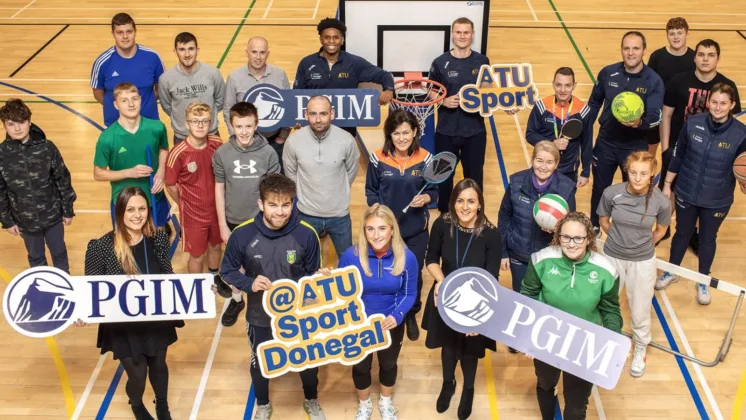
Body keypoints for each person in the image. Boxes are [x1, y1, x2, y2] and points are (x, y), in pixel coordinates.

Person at [220, 173, 326, 420]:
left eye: (286, 204)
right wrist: (249, 283)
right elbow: (226, 270)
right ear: (261, 204)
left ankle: (311, 400)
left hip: (298, 316)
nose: (280, 212)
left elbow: (312, 275)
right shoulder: (243, 234)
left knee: (309, 362)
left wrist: (320, 280)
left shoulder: (307, 234)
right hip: (260, 316)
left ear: (293, 203)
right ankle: (263, 404)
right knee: (261, 364)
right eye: (273, 205)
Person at [81, 186, 182, 420]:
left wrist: (197, 290)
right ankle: (136, 404)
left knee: (158, 366)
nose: (137, 215)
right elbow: (91, 290)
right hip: (123, 326)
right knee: (137, 376)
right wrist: (83, 313)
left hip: (154, 319)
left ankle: (162, 404)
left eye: (142, 209)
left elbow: (167, 274)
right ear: (120, 213)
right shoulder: (101, 247)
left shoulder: (157, 239)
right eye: (131, 210)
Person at [521, 212, 622, 420]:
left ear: (588, 239)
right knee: (546, 384)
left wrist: (614, 340)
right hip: (546, 338)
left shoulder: (606, 270)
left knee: (576, 406)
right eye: (566, 237)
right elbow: (527, 296)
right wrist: (527, 335)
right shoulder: (541, 260)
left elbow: (611, 309)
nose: (572, 244)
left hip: (584, 345)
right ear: (558, 237)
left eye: (578, 238)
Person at [658, 84, 746, 305]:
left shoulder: (741, 134)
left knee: (707, 239)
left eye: (723, 103)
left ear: (732, 105)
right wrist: (668, 184)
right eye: (714, 102)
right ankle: (671, 271)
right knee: (682, 233)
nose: (718, 107)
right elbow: (677, 157)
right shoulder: (693, 124)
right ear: (708, 102)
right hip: (686, 192)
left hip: (717, 199)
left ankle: (702, 280)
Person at [329, 204, 418, 420]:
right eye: (370, 229)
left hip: (390, 323)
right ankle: (364, 404)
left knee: (388, 364)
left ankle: (386, 403)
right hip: (359, 324)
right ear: (364, 230)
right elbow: (339, 292)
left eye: (381, 228)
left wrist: (397, 316)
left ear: (392, 229)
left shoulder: (407, 258)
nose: (376, 235)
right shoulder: (351, 256)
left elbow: (409, 293)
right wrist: (326, 279)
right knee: (360, 366)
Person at [422, 178, 500, 420]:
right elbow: (431, 259)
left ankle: (468, 389)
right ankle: (448, 383)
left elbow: (491, 278)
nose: (465, 207)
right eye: (460, 201)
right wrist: (442, 282)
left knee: (470, 350)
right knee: (448, 345)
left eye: (471, 201)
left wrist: (479, 315)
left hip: (476, 303)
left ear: (479, 204)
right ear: (453, 202)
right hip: (444, 296)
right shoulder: (442, 224)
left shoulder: (491, 234)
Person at [657, 39, 742, 245]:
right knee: (668, 193)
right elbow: (666, 115)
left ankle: (694, 236)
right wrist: (666, 147)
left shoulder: (727, 85)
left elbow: (735, 126)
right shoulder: (678, 81)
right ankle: (663, 229)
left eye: (710, 55)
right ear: (694, 57)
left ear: (718, 59)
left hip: (709, 154)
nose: (705, 59)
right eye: (701, 54)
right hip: (679, 148)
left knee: (700, 195)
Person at [365, 109, 437, 341]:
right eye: (396, 133)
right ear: (389, 135)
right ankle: (388, 309)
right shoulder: (377, 158)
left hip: (416, 230)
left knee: (412, 275)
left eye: (406, 132)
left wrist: (425, 199)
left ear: (415, 132)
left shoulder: (426, 158)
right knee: (388, 272)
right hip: (386, 233)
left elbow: (434, 191)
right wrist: (380, 215)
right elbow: (371, 191)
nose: (402, 138)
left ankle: (410, 313)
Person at [598, 151, 670, 378]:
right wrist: (620, 240)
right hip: (612, 257)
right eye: (633, 172)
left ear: (652, 175)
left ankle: (640, 348)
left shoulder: (661, 201)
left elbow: (661, 230)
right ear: (627, 171)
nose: (638, 178)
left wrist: (640, 245)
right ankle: (603, 343)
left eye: (644, 174)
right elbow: (603, 221)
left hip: (643, 261)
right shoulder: (612, 193)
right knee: (604, 304)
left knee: (640, 309)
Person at [587, 31, 664, 234]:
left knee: (634, 189)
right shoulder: (608, 72)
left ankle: (626, 227)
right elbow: (594, 103)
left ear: (644, 51)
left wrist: (640, 122)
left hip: (634, 146)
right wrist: (584, 127)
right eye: (626, 48)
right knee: (600, 187)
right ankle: (594, 225)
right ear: (622, 50)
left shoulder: (653, 81)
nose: (631, 53)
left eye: (636, 48)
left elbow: (656, 116)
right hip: (606, 143)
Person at [212, 102, 280, 326]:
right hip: (233, 220)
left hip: (260, 221)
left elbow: (273, 191)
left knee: (265, 263)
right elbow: (219, 189)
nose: (243, 131)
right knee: (235, 267)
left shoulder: (268, 153)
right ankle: (236, 299)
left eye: (248, 126)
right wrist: (222, 224)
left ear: (256, 124)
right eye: (239, 126)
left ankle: (267, 301)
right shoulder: (222, 153)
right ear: (231, 125)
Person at [0, 98, 76, 273]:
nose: (17, 128)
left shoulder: (47, 148)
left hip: (53, 216)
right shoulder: (2, 154)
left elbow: (62, 179)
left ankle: (64, 285)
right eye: (11, 124)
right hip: (24, 221)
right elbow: (0, 191)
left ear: (29, 122)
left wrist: (67, 209)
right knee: (36, 256)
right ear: (4, 126)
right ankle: (43, 290)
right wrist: (7, 220)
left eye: (21, 122)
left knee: (59, 253)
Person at [498, 141, 576, 301]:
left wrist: (558, 230)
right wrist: (503, 253)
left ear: (556, 164)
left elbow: (571, 224)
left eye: (549, 162)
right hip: (518, 255)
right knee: (522, 300)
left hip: (550, 258)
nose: (543, 167)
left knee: (547, 302)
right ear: (532, 160)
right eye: (539, 160)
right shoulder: (516, 182)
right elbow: (504, 216)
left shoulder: (565, 188)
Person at [164, 102, 229, 297]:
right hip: (193, 216)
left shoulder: (217, 144)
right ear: (187, 123)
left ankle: (214, 278)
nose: (200, 125)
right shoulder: (178, 153)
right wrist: (186, 202)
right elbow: (170, 185)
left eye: (204, 121)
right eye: (195, 121)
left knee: (216, 246)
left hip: (217, 211)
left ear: (210, 123)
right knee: (197, 254)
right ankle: (197, 287)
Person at [283, 95, 360, 259]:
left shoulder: (346, 140)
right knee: (303, 263)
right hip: (306, 214)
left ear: (332, 114)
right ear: (306, 115)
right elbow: (291, 175)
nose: (318, 119)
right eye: (313, 114)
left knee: (349, 263)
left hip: (339, 217)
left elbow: (351, 172)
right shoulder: (293, 141)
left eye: (323, 114)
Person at [428, 17, 491, 213]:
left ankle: (474, 215)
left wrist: (504, 104)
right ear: (452, 35)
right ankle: (445, 215)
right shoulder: (440, 62)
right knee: (444, 177)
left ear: (472, 35)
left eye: (466, 32)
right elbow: (431, 89)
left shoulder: (482, 61)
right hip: (446, 131)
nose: (462, 36)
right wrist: (443, 100)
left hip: (475, 131)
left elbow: (489, 90)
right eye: (458, 32)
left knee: (474, 179)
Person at [294, 17, 395, 137]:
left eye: (336, 37)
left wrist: (388, 89)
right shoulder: (306, 63)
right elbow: (296, 95)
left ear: (342, 40)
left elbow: (384, 75)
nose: (331, 41)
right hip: (313, 130)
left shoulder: (354, 62)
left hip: (345, 132)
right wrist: (295, 118)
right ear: (321, 40)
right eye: (327, 37)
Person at [93, 82, 170, 229]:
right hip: (124, 201)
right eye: (124, 100)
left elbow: (163, 149)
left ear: (140, 100)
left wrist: (161, 171)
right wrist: (130, 172)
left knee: (158, 238)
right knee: (127, 245)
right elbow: (98, 174)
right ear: (116, 105)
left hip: (153, 196)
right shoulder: (107, 138)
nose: (131, 104)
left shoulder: (157, 127)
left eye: (134, 99)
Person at [225, 36, 291, 167]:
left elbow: (288, 106)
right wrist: (238, 138)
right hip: (245, 142)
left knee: (275, 182)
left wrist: (283, 136)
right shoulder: (234, 77)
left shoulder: (280, 74)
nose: (258, 57)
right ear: (247, 53)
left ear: (268, 54)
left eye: (262, 52)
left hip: (275, 141)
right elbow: (228, 111)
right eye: (254, 52)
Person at [90, 13, 165, 127]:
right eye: (120, 32)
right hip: (116, 128)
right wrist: (119, 107)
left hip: (149, 125)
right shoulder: (102, 62)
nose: (125, 37)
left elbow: (161, 89)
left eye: (129, 31)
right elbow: (98, 93)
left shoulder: (152, 57)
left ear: (135, 31)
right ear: (113, 34)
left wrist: (145, 102)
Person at [525, 67, 593, 186]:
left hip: (569, 170)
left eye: (567, 85)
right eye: (558, 85)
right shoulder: (542, 107)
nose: (562, 90)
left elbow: (587, 142)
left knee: (566, 204)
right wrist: (551, 143)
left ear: (574, 85)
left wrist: (586, 172)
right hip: (543, 168)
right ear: (553, 85)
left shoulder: (583, 110)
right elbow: (530, 134)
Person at [158, 32, 226, 145]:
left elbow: (220, 101)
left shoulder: (213, 73)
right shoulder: (166, 79)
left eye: (191, 49)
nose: (187, 54)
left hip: (211, 135)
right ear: (175, 52)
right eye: (182, 49)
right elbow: (167, 106)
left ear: (197, 50)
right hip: (182, 137)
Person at [646, 17, 695, 154]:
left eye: (680, 33)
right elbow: (649, 84)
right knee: (650, 151)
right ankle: (649, 175)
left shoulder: (694, 58)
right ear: (667, 35)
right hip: (658, 111)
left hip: (682, 115)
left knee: (680, 151)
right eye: (672, 33)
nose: (676, 37)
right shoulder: (657, 56)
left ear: (687, 33)